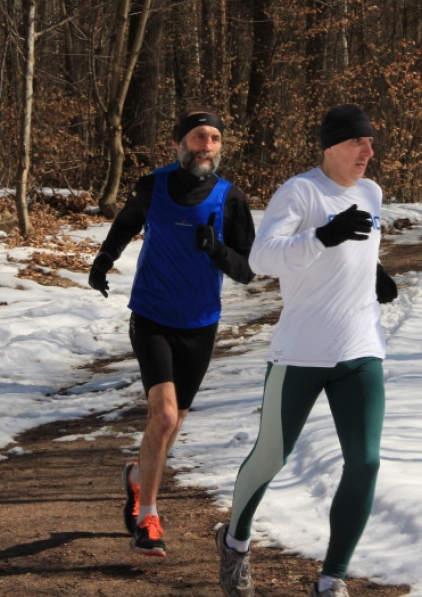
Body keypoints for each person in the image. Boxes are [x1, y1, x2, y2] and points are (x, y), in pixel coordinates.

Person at [215, 104, 397, 597]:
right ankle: (234, 542)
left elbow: (360, 246)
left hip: (361, 348)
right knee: (272, 456)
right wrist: (321, 235)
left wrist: (373, 272)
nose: (368, 151)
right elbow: (262, 257)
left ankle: (331, 578)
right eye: (358, 142)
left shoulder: (371, 192)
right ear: (332, 145)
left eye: (370, 142)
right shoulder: (300, 191)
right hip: (300, 352)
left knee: (366, 462)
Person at [88, 110, 256, 557]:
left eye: (216, 138)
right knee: (162, 417)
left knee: (173, 422)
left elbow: (247, 270)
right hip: (152, 316)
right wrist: (103, 259)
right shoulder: (154, 185)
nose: (208, 145)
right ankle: (148, 518)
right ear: (179, 144)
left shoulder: (229, 198)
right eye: (199, 137)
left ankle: (139, 477)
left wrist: (216, 249)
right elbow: (126, 223)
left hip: (200, 323)